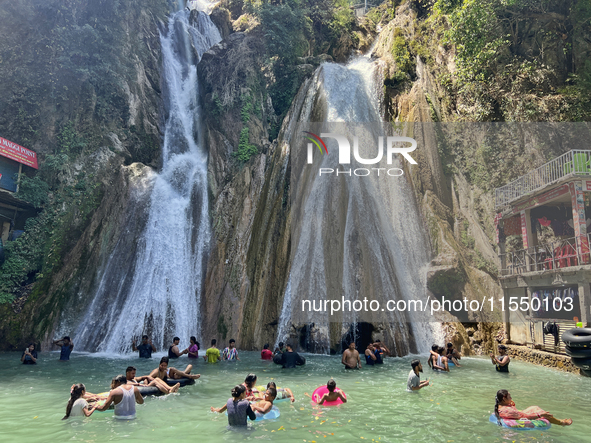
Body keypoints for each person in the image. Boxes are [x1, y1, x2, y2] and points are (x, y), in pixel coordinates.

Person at [494, 389, 572, 426]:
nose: (511, 398)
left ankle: (559, 420)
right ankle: (561, 423)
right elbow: (524, 417)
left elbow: (518, 413)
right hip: (520, 417)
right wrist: (540, 415)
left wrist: (510, 404)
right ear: (504, 399)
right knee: (543, 413)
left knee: (534, 407)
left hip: (518, 414)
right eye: (509, 396)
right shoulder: (508, 411)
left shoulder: (501, 405)